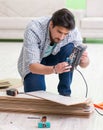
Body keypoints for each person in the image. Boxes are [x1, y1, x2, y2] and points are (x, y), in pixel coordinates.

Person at [18, 8, 89, 96]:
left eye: (65, 34)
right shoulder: (34, 28)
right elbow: (32, 66)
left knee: (71, 49)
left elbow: (84, 64)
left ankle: (65, 94)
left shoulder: (72, 31)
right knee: (36, 97)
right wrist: (54, 69)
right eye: (59, 32)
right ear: (51, 25)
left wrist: (84, 60)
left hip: (55, 57)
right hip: (35, 63)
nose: (62, 37)